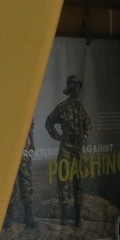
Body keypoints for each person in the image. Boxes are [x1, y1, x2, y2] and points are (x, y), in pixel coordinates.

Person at [45, 74, 91, 229]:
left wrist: (83, 140)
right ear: (72, 88)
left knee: (79, 181)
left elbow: (88, 125)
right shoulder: (61, 107)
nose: (78, 89)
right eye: (76, 86)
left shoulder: (81, 108)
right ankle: (64, 214)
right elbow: (49, 122)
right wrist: (58, 137)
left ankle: (78, 216)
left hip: (78, 149)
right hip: (66, 148)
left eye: (79, 86)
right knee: (64, 179)